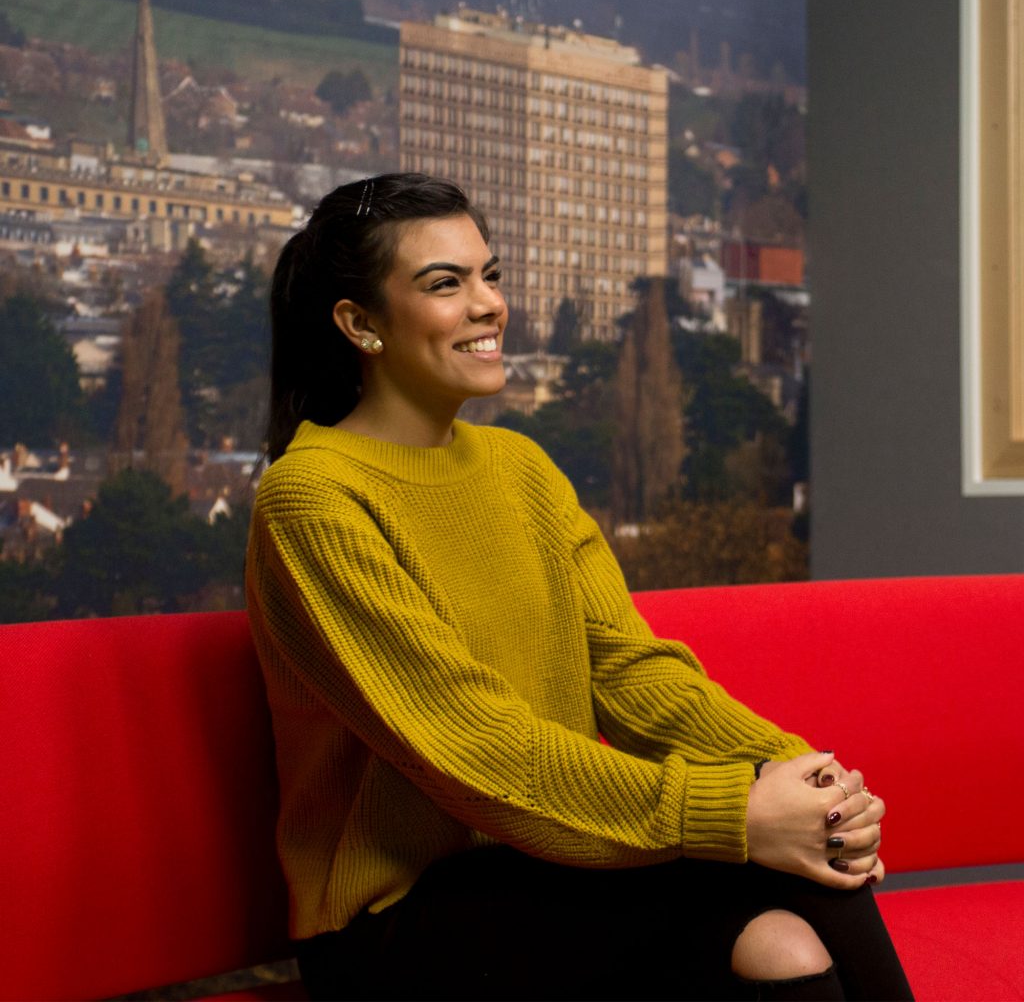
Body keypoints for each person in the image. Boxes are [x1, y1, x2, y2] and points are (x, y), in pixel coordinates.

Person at [246, 173, 912, 1001]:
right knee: (782, 891)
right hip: (397, 923)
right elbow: (475, 751)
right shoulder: (312, 497)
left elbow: (631, 675)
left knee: (790, 928)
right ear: (359, 323)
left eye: (490, 274)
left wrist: (805, 784)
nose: (488, 304)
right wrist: (734, 814)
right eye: (445, 284)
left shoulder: (520, 468)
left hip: (545, 867)